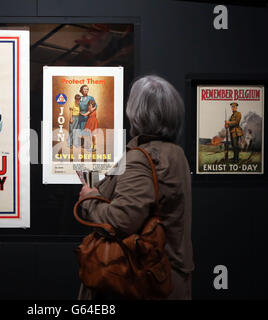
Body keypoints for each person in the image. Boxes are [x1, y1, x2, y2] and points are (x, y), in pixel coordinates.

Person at [77, 75, 194, 300]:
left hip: (138, 282)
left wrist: (90, 197)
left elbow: (121, 221)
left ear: (136, 112)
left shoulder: (142, 158)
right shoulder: (175, 153)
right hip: (168, 278)